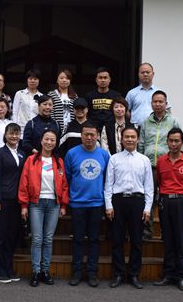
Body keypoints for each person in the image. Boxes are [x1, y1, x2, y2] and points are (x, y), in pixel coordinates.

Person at [104, 126, 153, 289]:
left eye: (133, 137)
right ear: (121, 139)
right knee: (117, 240)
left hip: (137, 202)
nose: (130, 139)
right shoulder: (114, 159)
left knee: (137, 240)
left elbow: (149, 187)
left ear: (137, 139)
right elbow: (108, 184)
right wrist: (109, 205)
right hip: (118, 202)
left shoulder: (144, 160)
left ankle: (133, 275)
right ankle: (118, 274)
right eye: (127, 137)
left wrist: (147, 208)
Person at [18, 130, 69, 287]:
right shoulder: (31, 160)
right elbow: (24, 182)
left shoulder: (59, 161)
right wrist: (24, 205)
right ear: (41, 141)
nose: (49, 142)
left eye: (52, 140)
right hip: (36, 203)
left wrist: (63, 204)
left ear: (56, 143)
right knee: (37, 238)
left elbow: (64, 185)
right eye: (46, 139)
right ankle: (36, 271)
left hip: (53, 204)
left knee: (48, 239)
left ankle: (45, 271)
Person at [153, 128, 183, 291]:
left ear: (182, 143)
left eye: (177, 141)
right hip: (165, 202)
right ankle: (168, 275)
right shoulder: (161, 161)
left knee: (181, 239)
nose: (173, 144)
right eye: (171, 141)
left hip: (182, 202)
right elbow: (159, 182)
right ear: (167, 142)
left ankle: (181, 276)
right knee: (168, 238)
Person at [64, 122, 110, 287]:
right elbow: (67, 178)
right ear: (81, 136)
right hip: (77, 204)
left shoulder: (104, 155)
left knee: (94, 239)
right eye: (86, 135)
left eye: (92, 135)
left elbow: (107, 180)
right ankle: (76, 272)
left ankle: (92, 272)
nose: (89, 138)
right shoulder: (71, 153)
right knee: (77, 239)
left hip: (97, 204)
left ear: (97, 136)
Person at [138, 90, 181, 240]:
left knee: (166, 200)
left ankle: (166, 232)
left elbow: (179, 144)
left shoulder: (173, 121)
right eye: (155, 101)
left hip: (167, 166)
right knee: (147, 200)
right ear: (151, 104)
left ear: (166, 103)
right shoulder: (145, 122)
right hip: (148, 166)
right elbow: (141, 144)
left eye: (161, 101)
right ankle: (147, 232)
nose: (158, 104)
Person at [0, 123, 26, 283]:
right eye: (11, 133)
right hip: (2, 200)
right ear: (5, 135)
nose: (14, 136)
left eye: (17, 133)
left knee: (12, 236)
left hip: (16, 201)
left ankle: (8, 268)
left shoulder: (22, 154)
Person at [125, 63, 170, 127]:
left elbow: (167, 110)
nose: (145, 74)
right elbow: (125, 110)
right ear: (138, 74)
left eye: (147, 72)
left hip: (155, 128)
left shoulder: (159, 93)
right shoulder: (131, 93)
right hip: (136, 129)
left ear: (153, 74)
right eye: (142, 72)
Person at [85, 67, 121, 132]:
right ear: (96, 80)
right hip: (93, 129)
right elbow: (85, 112)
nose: (103, 80)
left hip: (111, 128)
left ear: (109, 79)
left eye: (105, 78)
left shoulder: (116, 96)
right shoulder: (89, 96)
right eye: (100, 78)